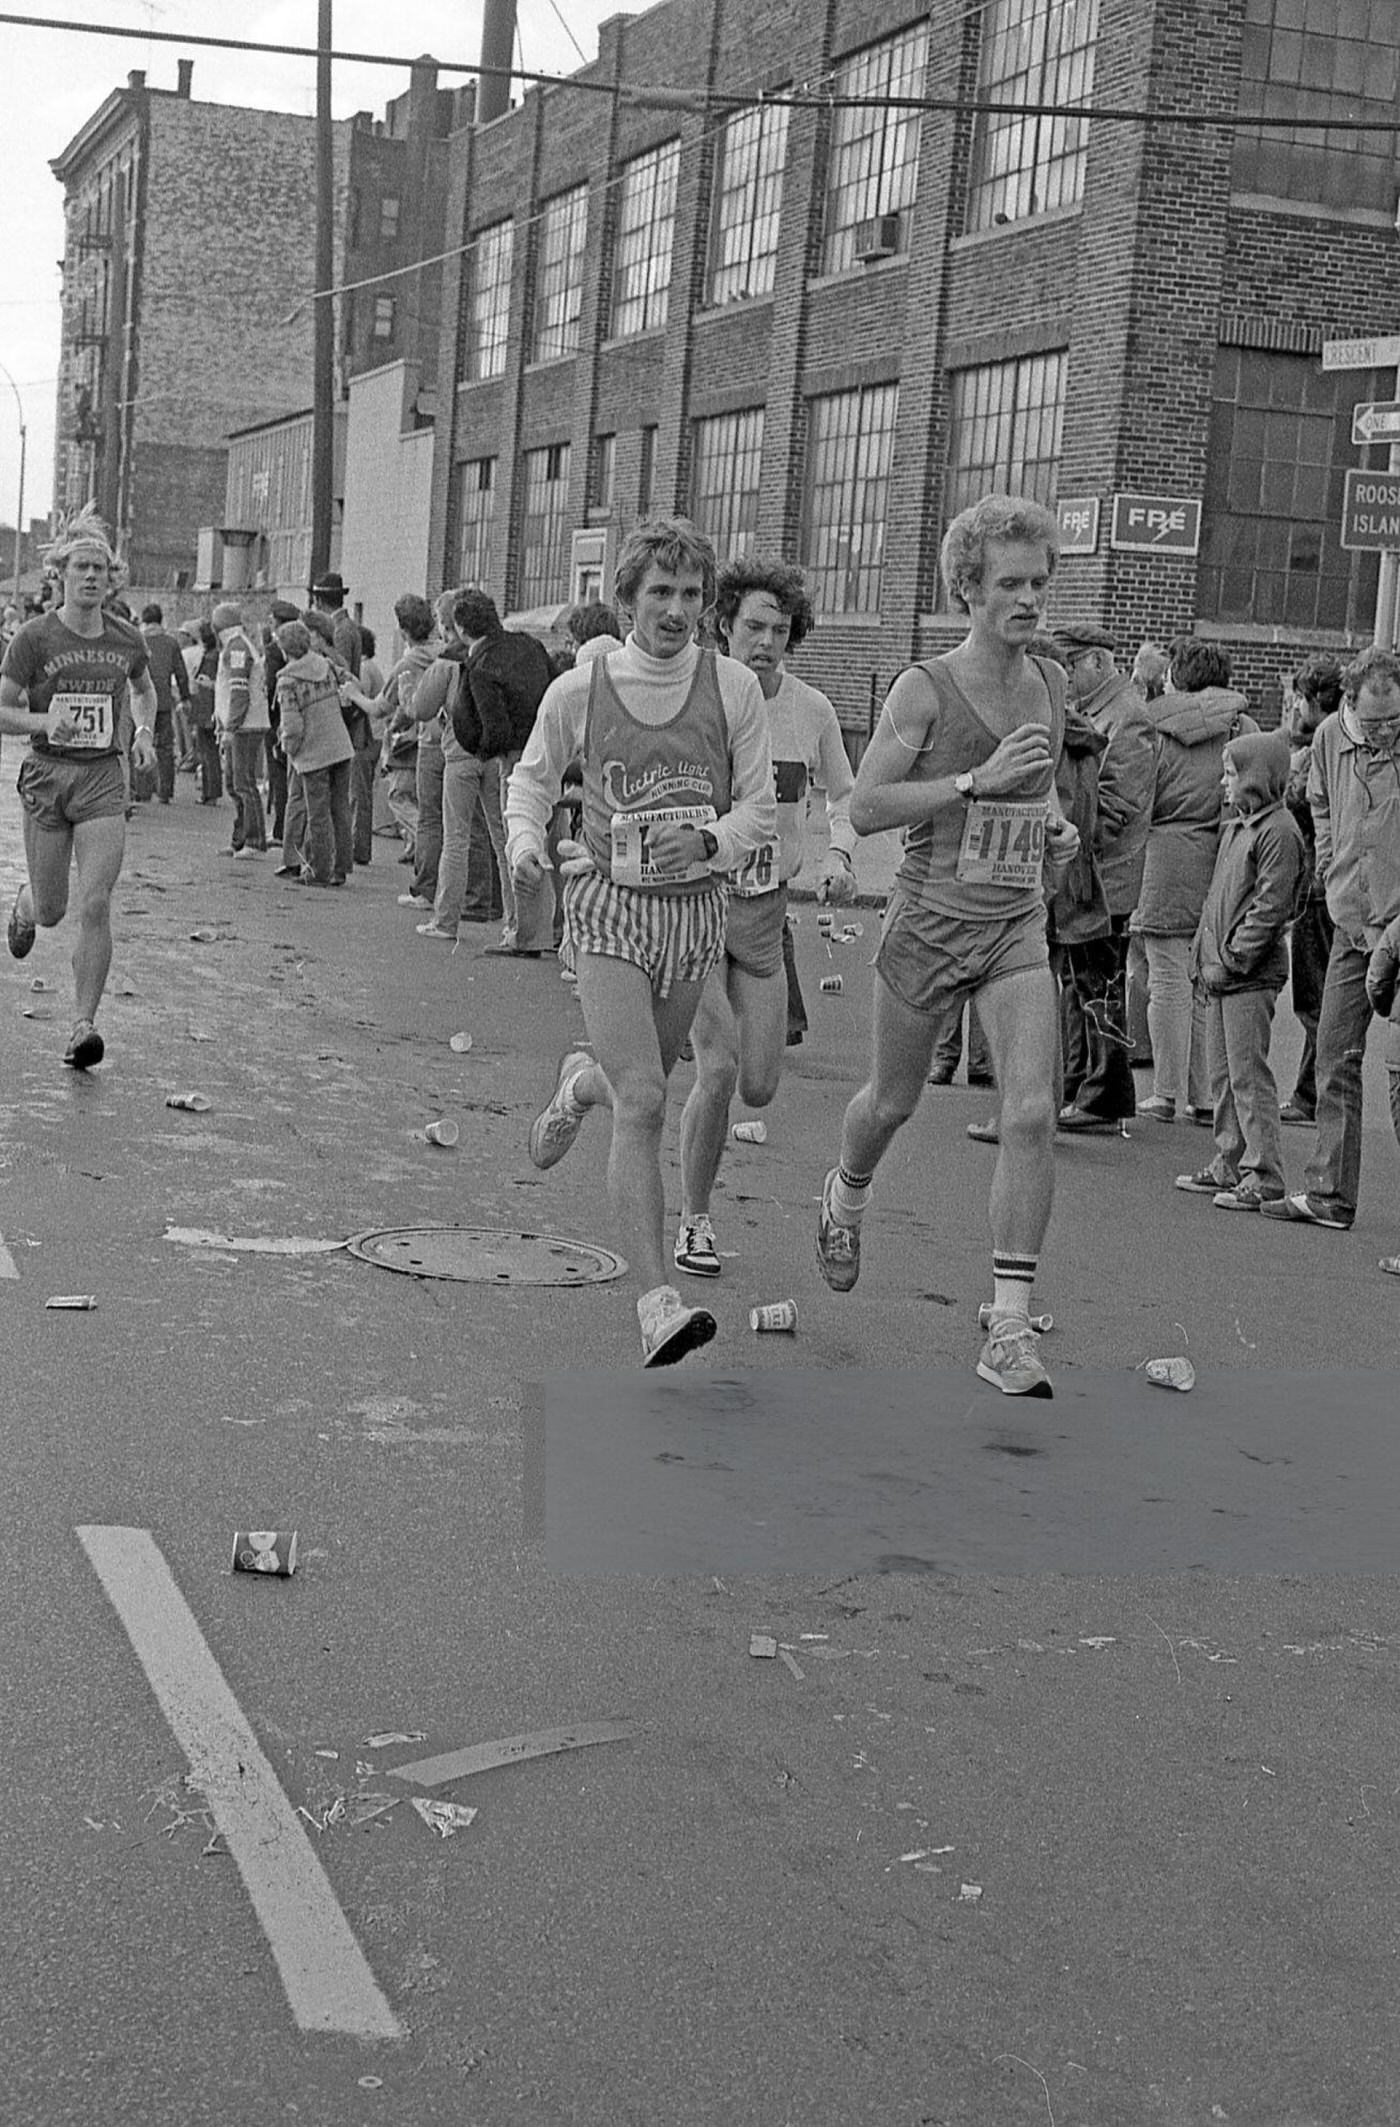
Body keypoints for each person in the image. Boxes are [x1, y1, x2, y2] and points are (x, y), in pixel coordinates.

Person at [813, 494, 1079, 1399]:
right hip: (928, 919)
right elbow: (866, 806)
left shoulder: (1051, 681)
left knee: (1033, 1111)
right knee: (891, 1103)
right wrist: (973, 779)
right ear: (968, 587)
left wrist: (1053, 825)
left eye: (1039, 582)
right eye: (1011, 583)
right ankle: (846, 1194)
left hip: (1014, 922)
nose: (1030, 600)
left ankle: (1007, 1323)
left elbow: (1038, 795)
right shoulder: (922, 687)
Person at [506, 517, 776, 1366]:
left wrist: (709, 843)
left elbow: (759, 810)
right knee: (651, 1099)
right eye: (659, 592)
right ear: (624, 600)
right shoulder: (582, 688)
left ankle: (577, 1085)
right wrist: (523, 846)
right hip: (609, 910)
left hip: (694, 915)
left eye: (691, 594)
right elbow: (532, 781)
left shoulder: (733, 688)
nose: (676, 610)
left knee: (633, 1086)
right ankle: (658, 1300)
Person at [672, 559, 857, 1281]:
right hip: (694, 902)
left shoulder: (809, 710)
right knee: (713, 1069)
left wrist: (839, 854)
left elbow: (845, 794)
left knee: (757, 1084)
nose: (767, 641)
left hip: (763, 909)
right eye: (754, 626)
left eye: (780, 630)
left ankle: (589, 1075)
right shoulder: (696, 694)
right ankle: (696, 1220)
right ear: (724, 623)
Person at [1, 508, 158, 1069]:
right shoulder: (34, 637)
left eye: (100, 568)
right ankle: (24, 902)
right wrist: (45, 722)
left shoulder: (127, 639)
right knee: (51, 910)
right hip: (47, 777)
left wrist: (143, 733)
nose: (90, 577)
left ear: (110, 578)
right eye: (80, 568)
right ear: (60, 574)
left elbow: (144, 690)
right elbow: (2, 710)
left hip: (100, 780)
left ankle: (82, 1026)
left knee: (96, 902)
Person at [1262, 645, 1400, 1231]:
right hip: (1351, 919)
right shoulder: (1327, 742)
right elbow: (1317, 796)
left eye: (1396, 722)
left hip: (1399, 922)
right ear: (1348, 707)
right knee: (1335, 1054)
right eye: (1376, 725)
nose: (1387, 734)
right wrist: (1327, 857)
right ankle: (1330, 1194)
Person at [1173, 731, 1304, 1211]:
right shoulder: (1239, 827)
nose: (1224, 783)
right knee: (1223, 1077)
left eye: (1232, 774)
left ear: (1255, 777)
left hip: (1246, 974)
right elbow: (1217, 902)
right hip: (1219, 972)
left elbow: (1271, 906)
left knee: (1248, 1075)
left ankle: (1263, 1172)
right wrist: (1202, 958)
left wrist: (1230, 960)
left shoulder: (1278, 832)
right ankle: (1230, 1158)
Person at [1131, 637, 1255, 1123]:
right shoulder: (1241, 725)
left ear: (1177, 676)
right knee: (1206, 981)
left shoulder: (1156, 725)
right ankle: (1204, 1097)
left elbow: (1143, 794)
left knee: (1165, 980)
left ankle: (1164, 1092)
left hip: (1163, 857)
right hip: (1220, 854)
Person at [1053, 621, 1158, 1130]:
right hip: (1089, 873)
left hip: (1108, 878)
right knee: (1082, 982)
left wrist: (1071, 828)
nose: (1066, 679)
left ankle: (1105, 1096)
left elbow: (1121, 803)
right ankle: (1082, 1084)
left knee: (1100, 984)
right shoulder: (1102, 712)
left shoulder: (1128, 718)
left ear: (1097, 661)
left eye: (1071, 667)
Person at [411, 590, 553, 953]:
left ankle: (446, 919)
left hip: (476, 755)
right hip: (526, 752)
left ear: (457, 627)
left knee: (455, 837)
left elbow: (430, 710)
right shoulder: (527, 646)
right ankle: (517, 923)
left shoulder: (468, 662)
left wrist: (487, 746)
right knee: (507, 839)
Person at [1279, 655, 1342, 1126]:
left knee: (1314, 996)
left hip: (1316, 885)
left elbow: (1299, 798)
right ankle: (1309, 1092)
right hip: (1323, 882)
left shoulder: (1322, 744)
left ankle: (1311, 1094)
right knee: (1319, 995)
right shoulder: (1331, 739)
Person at [271, 619, 354, 886]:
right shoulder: (326, 665)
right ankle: (341, 867)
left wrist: (288, 749)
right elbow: (351, 681)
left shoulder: (288, 680)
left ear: (285, 649)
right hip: (341, 745)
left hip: (313, 753)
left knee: (317, 813)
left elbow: (293, 726)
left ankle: (319, 870)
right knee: (340, 809)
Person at [381, 593, 438, 869]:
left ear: (404, 631)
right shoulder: (444, 652)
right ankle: (417, 848)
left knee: (400, 797)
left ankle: (426, 847)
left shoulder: (408, 663)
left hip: (413, 736)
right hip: (441, 737)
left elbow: (382, 705)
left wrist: (353, 692)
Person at [211, 600, 270, 856]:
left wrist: (230, 727)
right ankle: (240, 837)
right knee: (235, 783)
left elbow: (239, 692)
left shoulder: (235, 648)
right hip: (243, 723)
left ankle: (254, 840)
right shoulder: (239, 645)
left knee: (243, 783)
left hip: (245, 725)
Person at [138, 602, 191, 804]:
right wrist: (185, 697)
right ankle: (165, 791)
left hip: (142, 700)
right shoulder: (171, 643)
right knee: (165, 747)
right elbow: (181, 673)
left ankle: (142, 790)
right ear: (161, 620)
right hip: (163, 700)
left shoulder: (139, 640)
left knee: (142, 742)